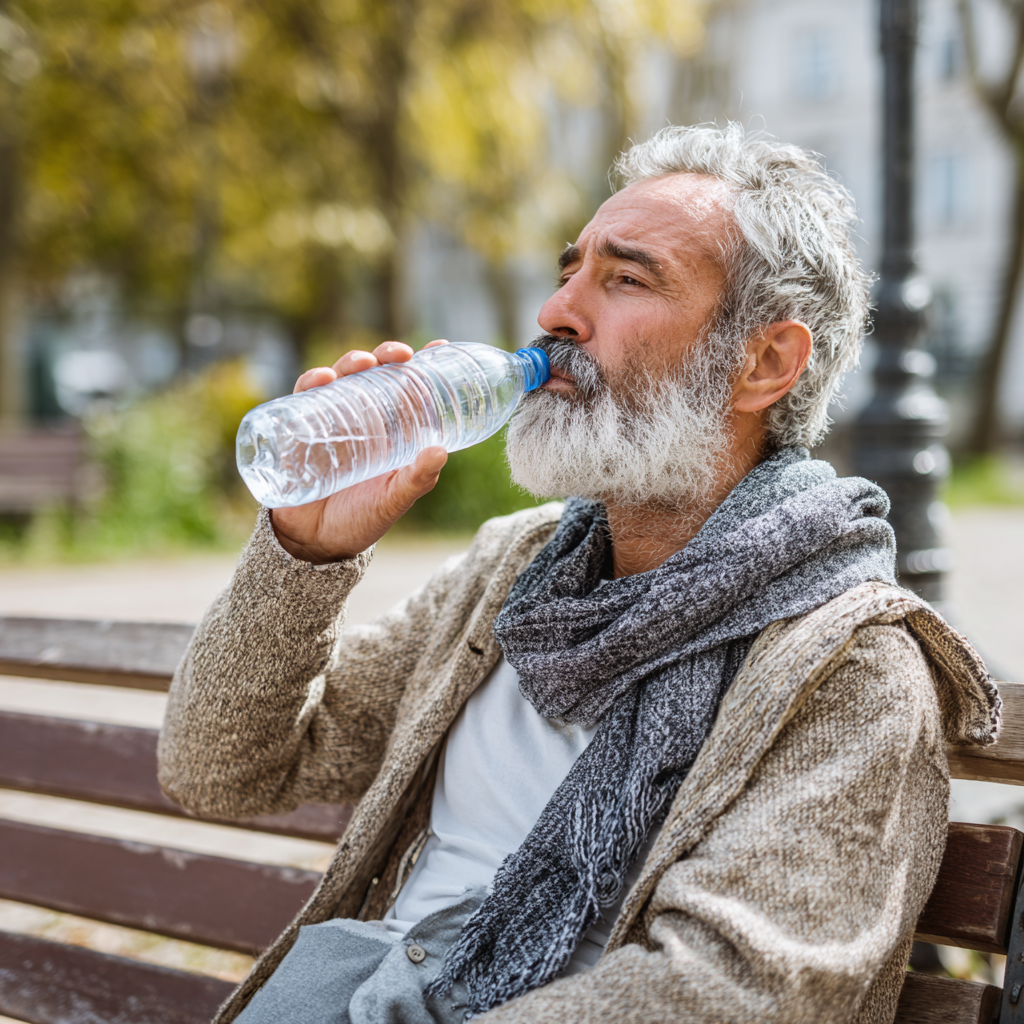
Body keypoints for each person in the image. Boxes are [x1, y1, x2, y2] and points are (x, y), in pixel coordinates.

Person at [158, 123, 999, 1024]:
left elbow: (735, 993)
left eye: (626, 279)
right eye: (570, 270)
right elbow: (217, 772)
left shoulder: (849, 667)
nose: (557, 310)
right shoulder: (512, 571)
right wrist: (305, 554)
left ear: (763, 364)